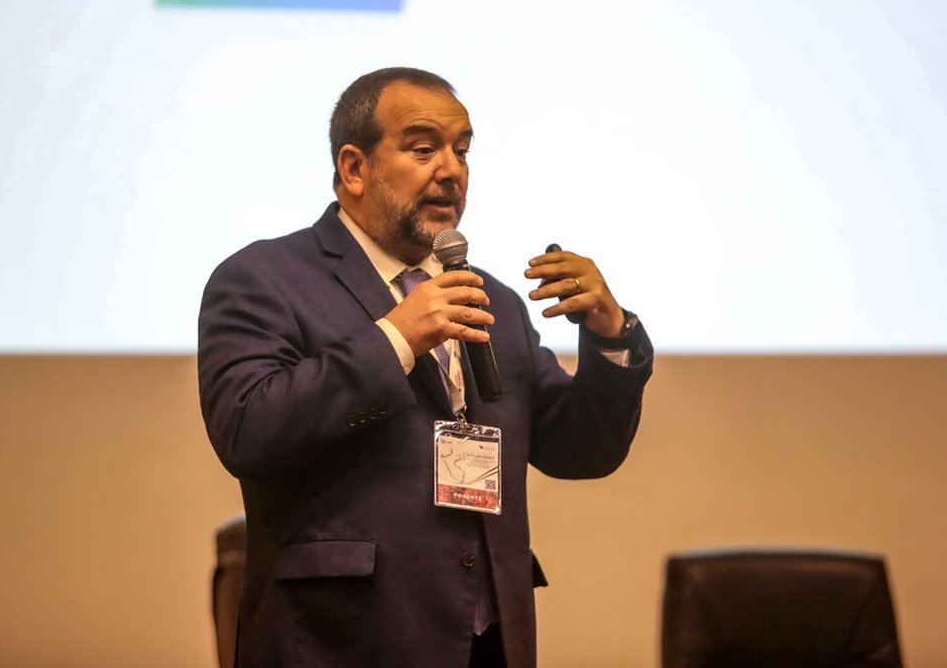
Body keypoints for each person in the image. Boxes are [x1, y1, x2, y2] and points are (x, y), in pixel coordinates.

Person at [198, 67, 652, 668]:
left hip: (486, 639)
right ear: (354, 168)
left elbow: (581, 450)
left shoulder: (490, 299)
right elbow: (248, 429)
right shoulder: (264, 279)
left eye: (462, 151)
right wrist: (396, 338)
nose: (451, 170)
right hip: (341, 640)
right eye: (422, 149)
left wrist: (611, 334)